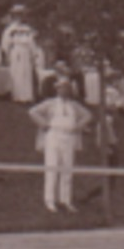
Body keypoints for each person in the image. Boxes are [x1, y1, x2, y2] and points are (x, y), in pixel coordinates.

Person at [28, 79, 93, 213]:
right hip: (53, 136)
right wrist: (44, 124)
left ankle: (66, 200)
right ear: (57, 90)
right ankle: (50, 200)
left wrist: (78, 126)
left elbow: (88, 115)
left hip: (69, 137)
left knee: (67, 169)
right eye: (61, 88)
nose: (64, 91)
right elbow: (32, 111)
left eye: (66, 88)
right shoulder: (50, 103)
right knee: (52, 167)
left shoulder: (74, 105)